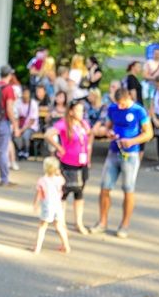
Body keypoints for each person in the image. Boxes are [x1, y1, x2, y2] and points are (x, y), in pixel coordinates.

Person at [90, 86, 152, 238]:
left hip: (130, 154)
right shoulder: (113, 109)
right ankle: (102, 221)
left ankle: (124, 225)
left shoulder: (139, 111)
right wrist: (108, 132)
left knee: (128, 189)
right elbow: (107, 127)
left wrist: (132, 141)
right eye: (118, 104)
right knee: (105, 187)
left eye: (123, 104)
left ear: (128, 98)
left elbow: (148, 133)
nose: (120, 107)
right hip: (114, 151)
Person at [44, 102, 92, 234]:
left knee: (79, 193)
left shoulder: (83, 124)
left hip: (82, 163)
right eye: (78, 110)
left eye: (82, 111)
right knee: (64, 193)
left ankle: (79, 222)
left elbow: (89, 137)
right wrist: (59, 147)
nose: (81, 113)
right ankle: (61, 221)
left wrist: (89, 157)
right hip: (68, 162)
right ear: (71, 111)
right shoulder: (64, 123)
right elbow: (48, 134)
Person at [32, 158, 70, 254]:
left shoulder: (42, 181)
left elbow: (39, 194)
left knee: (42, 226)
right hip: (58, 205)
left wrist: (35, 204)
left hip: (47, 206)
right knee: (59, 226)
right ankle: (66, 245)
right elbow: (63, 181)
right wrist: (58, 173)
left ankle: (38, 247)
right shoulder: (59, 179)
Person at [14, 87, 40, 160]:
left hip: (31, 127)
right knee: (15, 134)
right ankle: (20, 150)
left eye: (27, 94)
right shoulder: (18, 103)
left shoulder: (33, 104)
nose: (25, 96)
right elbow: (15, 117)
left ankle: (26, 151)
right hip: (20, 125)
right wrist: (16, 129)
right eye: (24, 94)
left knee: (25, 134)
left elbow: (32, 121)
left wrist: (21, 130)